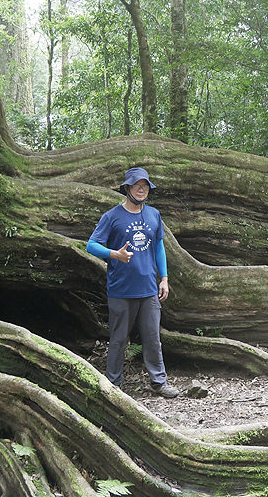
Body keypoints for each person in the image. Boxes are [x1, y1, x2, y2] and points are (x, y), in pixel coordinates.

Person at [86, 167, 180, 398]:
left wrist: (164, 279)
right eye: (137, 185)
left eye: (145, 185)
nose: (141, 189)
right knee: (118, 340)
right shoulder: (112, 216)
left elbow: (159, 246)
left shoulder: (153, 215)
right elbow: (91, 245)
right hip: (120, 289)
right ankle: (113, 385)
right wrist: (114, 254)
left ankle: (159, 382)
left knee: (152, 338)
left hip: (148, 289)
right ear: (127, 188)